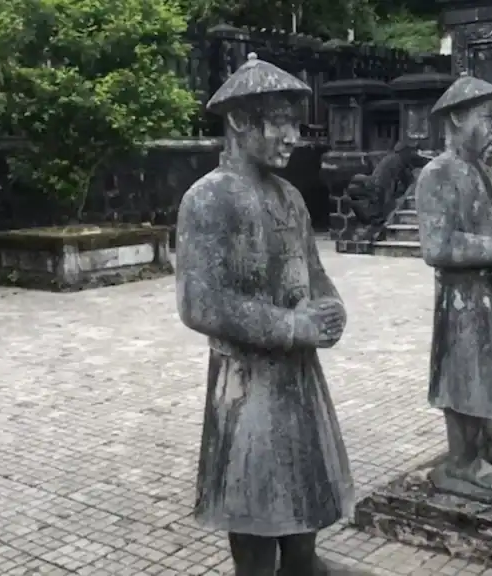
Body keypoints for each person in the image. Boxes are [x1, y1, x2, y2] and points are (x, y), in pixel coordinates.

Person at [176, 53, 355, 576]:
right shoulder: (208, 200)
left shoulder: (290, 197)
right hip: (247, 381)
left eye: (293, 122)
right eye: (279, 120)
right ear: (239, 120)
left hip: (299, 374)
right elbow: (199, 303)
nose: (292, 135)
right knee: (254, 498)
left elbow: (316, 272)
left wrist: (331, 307)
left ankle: (304, 565)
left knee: (303, 487)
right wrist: (290, 326)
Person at [415, 72, 492, 492]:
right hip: (463, 299)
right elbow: (438, 246)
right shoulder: (437, 174)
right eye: (486, 118)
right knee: (465, 373)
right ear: (455, 119)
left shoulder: (481, 173)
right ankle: (463, 459)